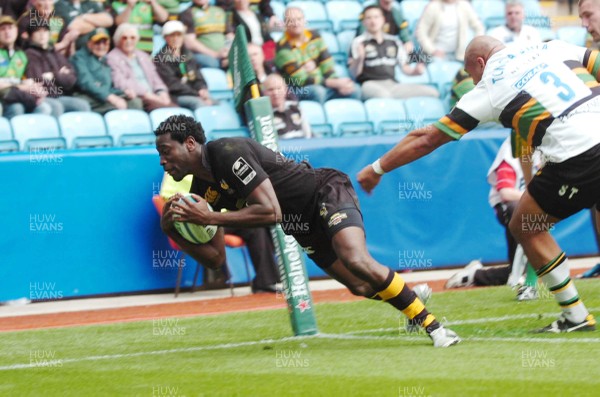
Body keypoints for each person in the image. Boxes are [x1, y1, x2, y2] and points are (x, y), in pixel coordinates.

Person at [357, 36, 600, 333]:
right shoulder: (550, 45)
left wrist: (377, 168)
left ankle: (575, 316)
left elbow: (426, 139)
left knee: (526, 225)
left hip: (579, 154)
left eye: (471, 74)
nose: (474, 82)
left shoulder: (490, 87)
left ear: (480, 63)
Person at [154, 115, 461, 347]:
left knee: (355, 258)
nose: (163, 160)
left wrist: (210, 220)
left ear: (190, 143)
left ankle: (434, 328)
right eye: (159, 154)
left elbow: (271, 211)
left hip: (324, 191)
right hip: (300, 224)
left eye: (166, 151)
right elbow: (215, 259)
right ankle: (408, 297)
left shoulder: (227, 151)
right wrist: (175, 231)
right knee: (361, 286)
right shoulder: (202, 191)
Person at [445, 137, 540, 302]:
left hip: (530, 209)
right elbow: (506, 193)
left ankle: (474, 275)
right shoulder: (513, 147)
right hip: (511, 209)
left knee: (525, 270)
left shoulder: (547, 144)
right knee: (521, 210)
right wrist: (536, 199)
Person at [159, 172, 281, 293]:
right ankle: (264, 280)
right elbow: (166, 198)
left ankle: (265, 281)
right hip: (195, 223)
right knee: (255, 226)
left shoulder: (207, 170)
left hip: (218, 217)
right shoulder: (175, 171)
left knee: (257, 225)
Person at [349, 5, 438, 100]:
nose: (373, 21)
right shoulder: (358, 42)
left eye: (376, 17)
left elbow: (405, 68)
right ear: (364, 22)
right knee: (384, 96)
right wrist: (360, 58)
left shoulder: (394, 41)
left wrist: (416, 71)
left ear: (383, 19)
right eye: (369, 18)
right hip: (370, 84)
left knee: (432, 93)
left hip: (393, 84)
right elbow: (354, 74)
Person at [275, 7, 360, 104]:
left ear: (304, 20)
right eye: (291, 21)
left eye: (299, 19)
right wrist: (333, 83)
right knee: (318, 92)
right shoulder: (283, 47)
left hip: (321, 82)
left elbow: (327, 64)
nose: (296, 23)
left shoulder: (315, 36)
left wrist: (336, 81)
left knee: (353, 89)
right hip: (295, 88)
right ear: (285, 24)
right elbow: (300, 79)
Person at [71, 28, 143, 114]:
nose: (101, 46)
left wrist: (124, 92)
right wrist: (109, 97)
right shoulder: (79, 57)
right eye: (97, 42)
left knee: (135, 102)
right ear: (89, 44)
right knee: (117, 106)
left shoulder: (104, 59)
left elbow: (107, 86)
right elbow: (86, 83)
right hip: (86, 97)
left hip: (103, 97)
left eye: (104, 42)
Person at [24, 24, 91, 115]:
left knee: (83, 105)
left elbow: (72, 79)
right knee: (56, 106)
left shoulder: (55, 53)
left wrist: (53, 75)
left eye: (45, 31)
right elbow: (39, 80)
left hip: (61, 95)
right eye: (38, 31)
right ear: (31, 35)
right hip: (45, 97)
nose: (42, 34)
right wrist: (61, 76)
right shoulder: (29, 54)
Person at [106, 24, 175, 111]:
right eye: (124, 38)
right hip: (138, 96)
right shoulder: (112, 57)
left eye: (132, 38)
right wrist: (146, 94)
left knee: (177, 111)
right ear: (118, 40)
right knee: (166, 113)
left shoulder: (143, 55)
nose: (129, 41)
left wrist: (162, 92)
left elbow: (155, 78)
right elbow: (120, 82)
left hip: (154, 95)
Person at [0, 15, 54, 118]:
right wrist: (22, 87)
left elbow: (28, 81)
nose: (7, 32)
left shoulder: (22, 55)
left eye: (10, 28)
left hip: (17, 94)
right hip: (6, 95)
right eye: (2, 29)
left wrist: (36, 90)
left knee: (44, 107)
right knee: (17, 108)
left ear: (16, 31)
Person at [153, 20, 214, 111]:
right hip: (175, 96)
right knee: (200, 104)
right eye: (172, 35)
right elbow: (173, 84)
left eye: (179, 35)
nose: (176, 38)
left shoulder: (189, 55)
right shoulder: (160, 59)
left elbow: (198, 77)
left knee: (216, 103)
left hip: (193, 93)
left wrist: (202, 89)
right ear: (165, 38)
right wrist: (197, 94)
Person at [415, 0, 484, 62]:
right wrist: (432, 50)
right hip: (436, 56)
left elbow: (479, 27)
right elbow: (420, 32)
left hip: (459, 55)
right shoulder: (433, 7)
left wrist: (474, 48)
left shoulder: (464, 5)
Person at [180, 0, 234, 68]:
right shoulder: (188, 13)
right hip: (204, 55)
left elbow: (230, 35)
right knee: (212, 63)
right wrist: (215, 54)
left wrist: (227, 52)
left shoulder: (220, 11)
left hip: (225, 53)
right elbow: (189, 42)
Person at [263, 73, 311, 139]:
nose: (275, 93)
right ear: (264, 92)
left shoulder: (296, 107)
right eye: (270, 90)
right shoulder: (263, 116)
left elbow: (308, 135)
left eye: (278, 88)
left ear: (285, 90)